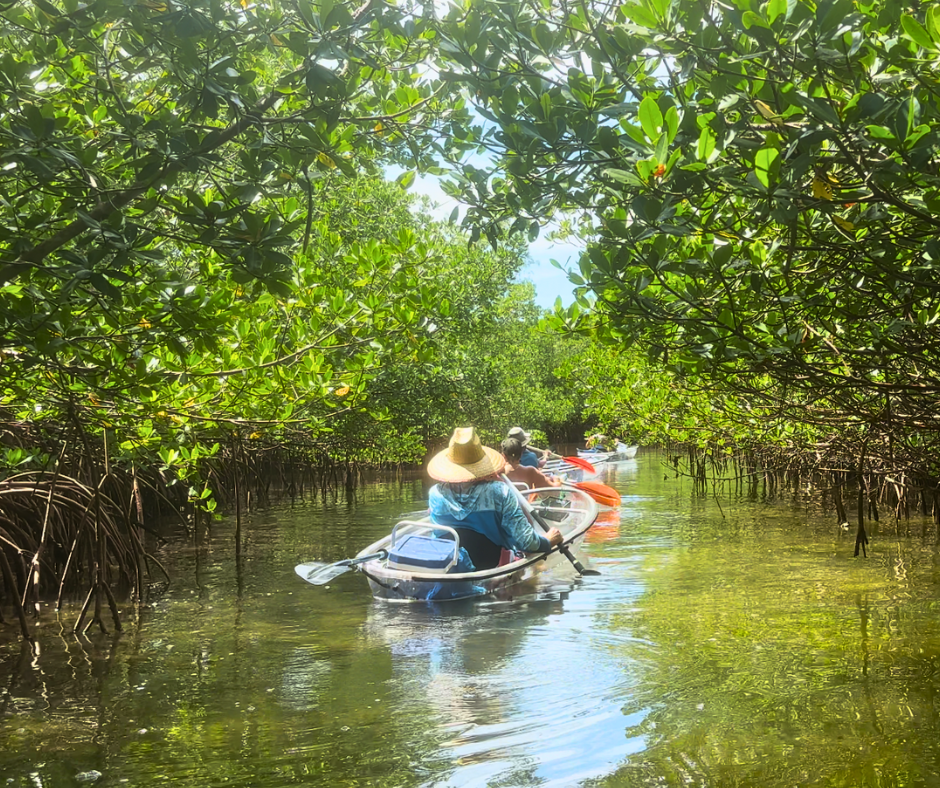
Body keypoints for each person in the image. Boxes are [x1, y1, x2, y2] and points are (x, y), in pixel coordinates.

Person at [427, 427, 563, 571]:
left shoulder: (435, 493)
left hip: (446, 562)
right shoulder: (500, 491)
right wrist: (548, 540)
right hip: (486, 565)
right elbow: (527, 543)